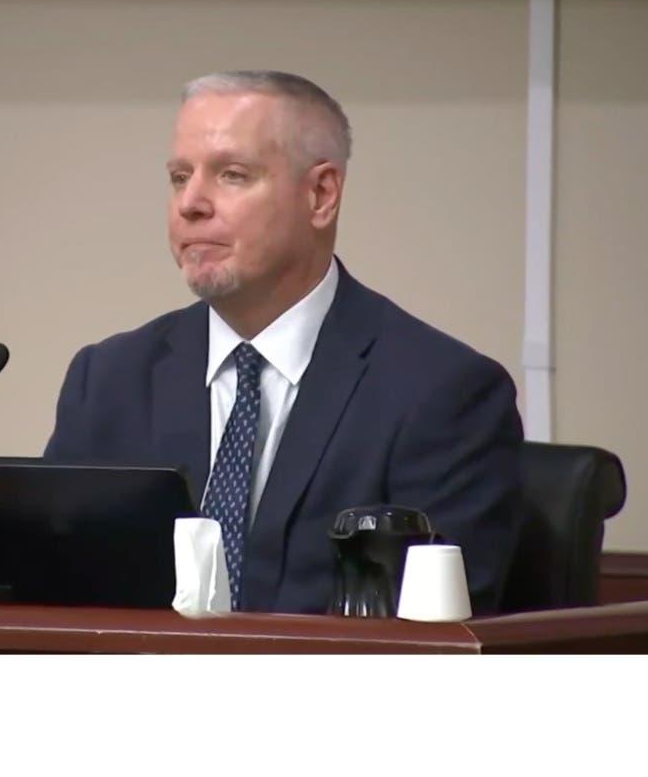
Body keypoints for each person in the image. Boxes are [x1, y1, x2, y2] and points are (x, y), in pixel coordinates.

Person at [44, 70, 524, 615]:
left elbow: (429, 638)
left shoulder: (442, 392)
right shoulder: (109, 380)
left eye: (231, 175)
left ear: (321, 195)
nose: (190, 204)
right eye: (180, 177)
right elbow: (56, 591)